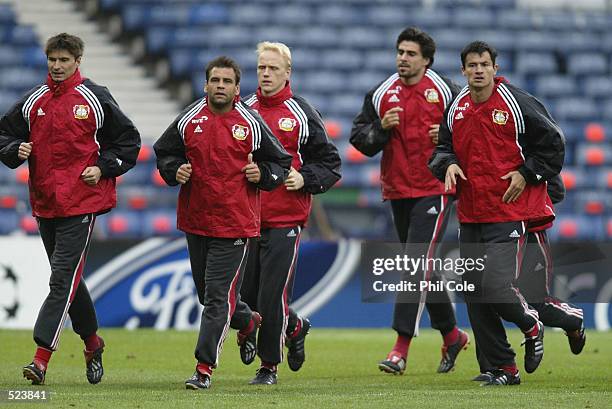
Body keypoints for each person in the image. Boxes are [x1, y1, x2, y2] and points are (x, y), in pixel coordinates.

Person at [0, 33, 141, 385]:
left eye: (64, 60)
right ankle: (93, 343)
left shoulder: (94, 97)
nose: (57, 66)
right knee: (71, 282)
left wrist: (104, 166)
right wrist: (15, 148)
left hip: (82, 202)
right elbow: (3, 135)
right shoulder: (34, 100)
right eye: (53, 60)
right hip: (46, 202)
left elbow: (129, 140)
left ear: (78, 61)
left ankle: (41, 358)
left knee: (61, 279)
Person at [429, 41, 565, 386]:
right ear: (463, 70)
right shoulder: (455, 107)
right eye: (471, 64)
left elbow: (553, 143)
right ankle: (501, 367)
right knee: (473, 289)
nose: (478, 70)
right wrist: (448, 165)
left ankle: (531, 323)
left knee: (495, 284)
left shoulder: (517, 103)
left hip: (508, 209)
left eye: (484, 64)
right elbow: (441, 149)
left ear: (494, 68)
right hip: (471, 211)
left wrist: (527, 173)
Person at [154, 56, 292, 390]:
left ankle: (204, 368)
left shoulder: (252, 122)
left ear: (236, 88)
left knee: (217, 297)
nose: (220, 86)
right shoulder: (189, 119)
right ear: (205, 84)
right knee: (208, 295)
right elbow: (164, 153)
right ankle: (247, 322)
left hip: (235, 223)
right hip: (196, 220)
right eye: (215, 80)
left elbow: (280, 164)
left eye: (226, 82)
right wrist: (175, 170)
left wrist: (264, 175)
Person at [350, 26, 469, 375]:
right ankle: (452, 335)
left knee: (415, 263)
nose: (403, 58)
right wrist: (381, 129)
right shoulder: (381, 93)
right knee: (424, 268)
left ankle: (400, 349)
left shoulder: (447, 91)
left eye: (410, 53)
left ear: (427, 60)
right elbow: (361, 139)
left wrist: (449, 136)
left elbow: (472, 133)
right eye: (400, 52)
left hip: (436, 188)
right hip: (398, 190)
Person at [237, 41, 341, 385]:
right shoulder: (243, 109)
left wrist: (304, 177)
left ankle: (269, 366)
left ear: (287, 73)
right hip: (245, 218)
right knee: (246, 297)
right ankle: (294, 326)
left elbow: (330, 163)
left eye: (273, 69)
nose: (266, 74)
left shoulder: (301, 113)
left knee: (272, 294)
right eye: (261, 68)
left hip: (286, 218)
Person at [473, 175, 585, 382]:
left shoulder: (529, 148)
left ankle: (573, 320)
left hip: (530, 230)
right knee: (484, 292)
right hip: (490, 226)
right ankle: (492, 366)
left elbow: (556, 189)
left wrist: (526, 208)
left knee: (535, 302)